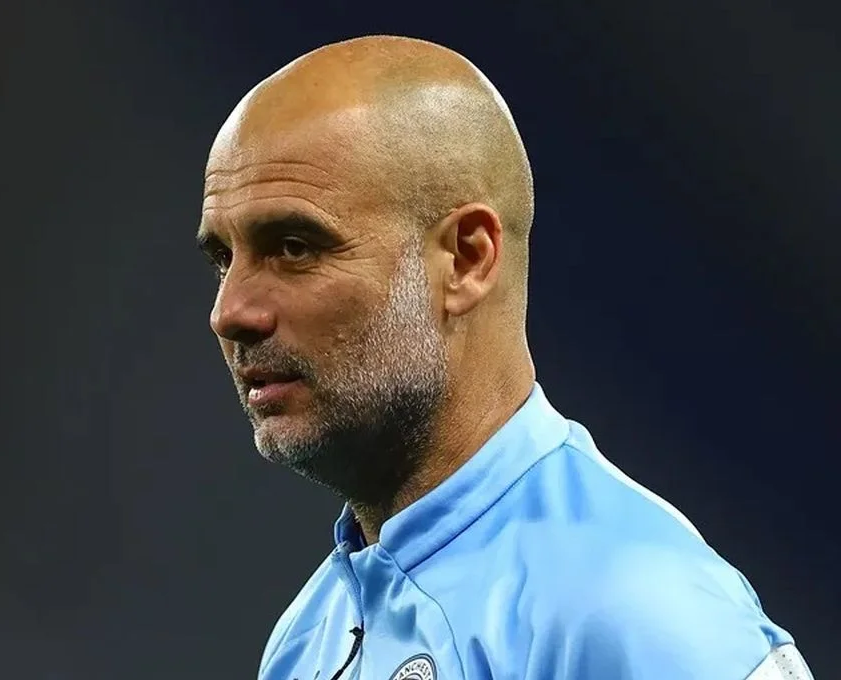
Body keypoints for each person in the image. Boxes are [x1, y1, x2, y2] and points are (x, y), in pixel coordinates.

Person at [196, 35, 813, 680]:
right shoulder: (307, 639)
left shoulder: (640, 612)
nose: (229, 312)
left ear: (466, 259)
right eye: (223, 260)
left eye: (294, 247)